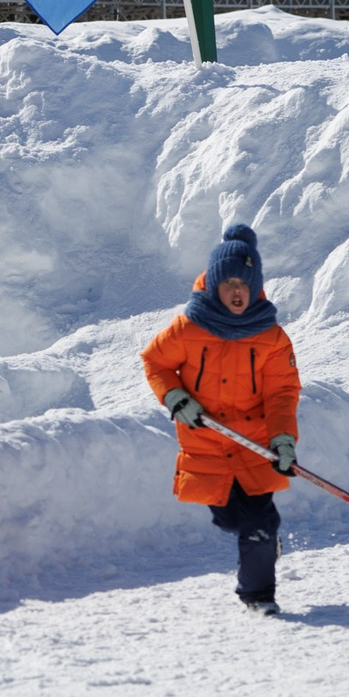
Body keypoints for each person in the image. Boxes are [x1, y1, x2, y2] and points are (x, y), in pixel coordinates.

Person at [140, 224, 301, 614]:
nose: (236, 291)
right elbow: (155, 362)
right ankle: (262, 545)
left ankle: (258, 595)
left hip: (254, 445)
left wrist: (282, 440)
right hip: (207, 442)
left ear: (256, 285)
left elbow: (282, 393)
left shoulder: (271, 337)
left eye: (244, 284)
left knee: (258, 524)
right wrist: (176, 397)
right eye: (228, 282)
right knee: (230, 520)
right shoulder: (188, 327)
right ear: (213, 284)